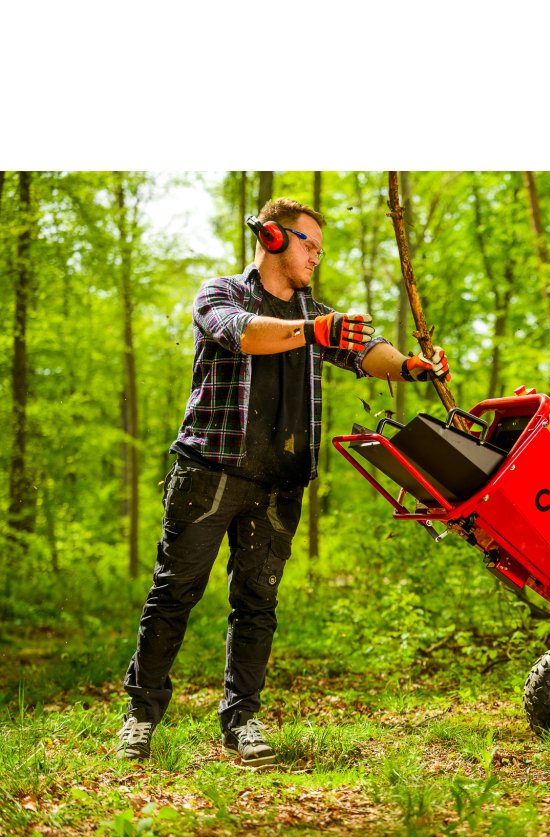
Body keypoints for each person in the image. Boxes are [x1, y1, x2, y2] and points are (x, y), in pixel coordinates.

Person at [116, 197, 449, 765]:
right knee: (174, 594)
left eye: (320, 249)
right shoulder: (220, 295)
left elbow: (368, 350)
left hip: (279, 483)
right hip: (210, 472)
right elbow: (246, 334)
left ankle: (242, 720)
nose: (316, 257)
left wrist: (410, 367)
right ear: (273, 238)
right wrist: (314, 331)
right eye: (308, 244)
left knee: (257, 604)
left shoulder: (317, 314)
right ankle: (141, 716)